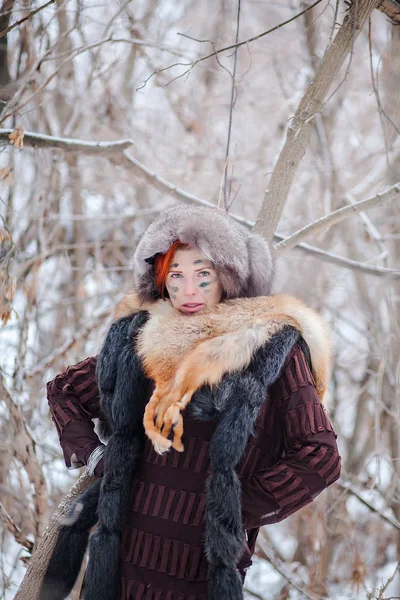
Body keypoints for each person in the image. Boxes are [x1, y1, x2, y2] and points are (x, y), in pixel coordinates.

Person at [42, 205, 341, 600]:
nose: (188, 291)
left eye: (204, 275)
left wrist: (234, 508)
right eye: (176, 275)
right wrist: (96, 456)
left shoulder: (270, 348)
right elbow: (64, 390)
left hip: (203, 571)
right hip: (120, 563)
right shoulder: (141, 339)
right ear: (161, 279)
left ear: (228, 277)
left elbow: (320, 456)